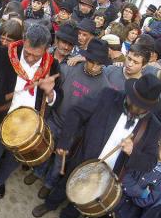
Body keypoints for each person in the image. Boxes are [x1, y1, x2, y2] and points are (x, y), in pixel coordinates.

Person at [33, 74, 161, 218]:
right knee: (65, 183)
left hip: (106, 176)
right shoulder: (108, 96)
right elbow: (76, 113)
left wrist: (132, 152)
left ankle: (66, 217)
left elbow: (150, 162)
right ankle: (50, 204)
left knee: (83, 198)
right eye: (134, 102)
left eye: (141, 106)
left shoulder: (153, 127)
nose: (135, 108)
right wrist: (65, 141)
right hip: (83, 158)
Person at [0, 24, 60, 205]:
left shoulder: (52, 64)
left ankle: (0, 181)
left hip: (29, 126)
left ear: (46, 49)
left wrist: (50, 93)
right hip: (2, 117)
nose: (31, 58)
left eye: (37, 55)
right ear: (24, 41)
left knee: (14, 160)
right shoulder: (5, 54)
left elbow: (58, 96)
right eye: (27, 53)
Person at [27, 38, 110, 198]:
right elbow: (55, 91)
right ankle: (38, 172)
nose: (94, 66)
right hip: (56, 119)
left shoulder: (105, 87)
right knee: (46, 147)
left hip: (73, 132)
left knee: (60, 159)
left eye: (99, 64)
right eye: (91, 61)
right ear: (85, 57)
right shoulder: (70, 68)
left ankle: (49, 183)